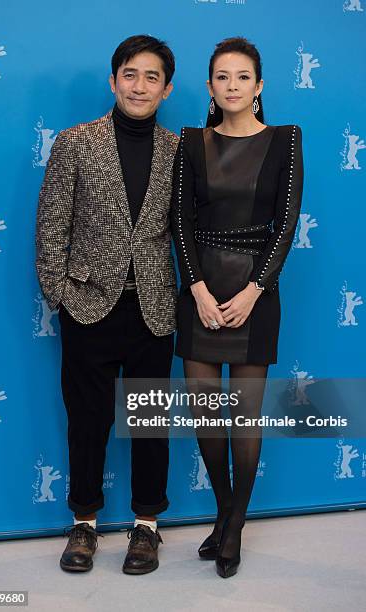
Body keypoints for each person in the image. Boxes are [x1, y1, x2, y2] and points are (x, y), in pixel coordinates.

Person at [35, 34, 178, 575]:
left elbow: (181, 231)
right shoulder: (76, 142)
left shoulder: (177, 150)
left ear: (167, 89)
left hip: (154, 309)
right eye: (130, 74)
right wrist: (62, 297)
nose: (139, 85)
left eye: (151, 77)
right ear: (113, 80)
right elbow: (50, 227)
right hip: (89, 306)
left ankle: (147, 528)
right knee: (88, 420)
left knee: (149, 422)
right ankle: (85, 523)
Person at [170, 37, 303, 578]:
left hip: (256, 292)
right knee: (207, 419)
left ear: (259, 85)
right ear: (210, 87)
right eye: (222, 77)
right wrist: (198, 289)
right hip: (200, 291)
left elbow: (287, 222)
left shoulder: (285, 140)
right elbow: (179, 222)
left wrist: (254, 291)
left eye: (242, 77)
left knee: (245, 420)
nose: (232, 86)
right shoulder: (191, 141)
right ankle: (227, 515)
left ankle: (234, 526)